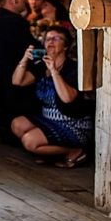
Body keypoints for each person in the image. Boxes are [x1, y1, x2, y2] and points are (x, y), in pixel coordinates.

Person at [11, 27, 93, 168]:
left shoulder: (73, 68)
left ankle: (74, 152)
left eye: (56, 39)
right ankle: (50, 153)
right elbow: (17, 81)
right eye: (47, 39)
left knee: (29, 141)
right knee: (17, 124)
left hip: (73, 124)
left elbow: (67, 98)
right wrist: (25, 59)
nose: (50, 42)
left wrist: (54, 70)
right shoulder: (42, 66)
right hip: (49, 120)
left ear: (66, 46)